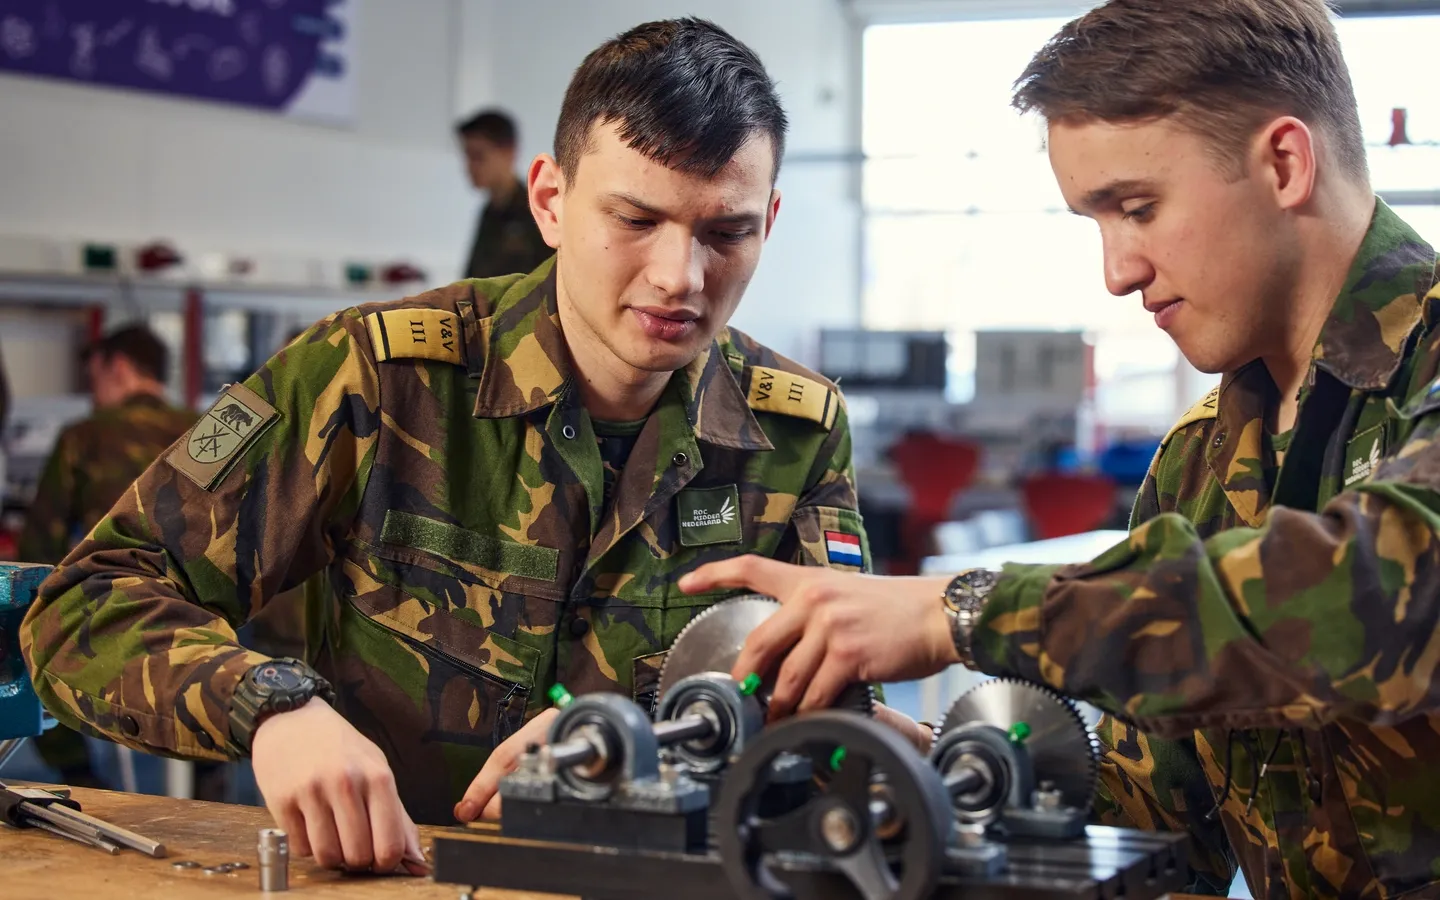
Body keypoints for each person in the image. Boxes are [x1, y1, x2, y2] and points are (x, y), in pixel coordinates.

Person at [23, 18, 875, 877]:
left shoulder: (795, 433)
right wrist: (272, 706)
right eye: (635, 218)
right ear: (549, 199)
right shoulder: (375, 378)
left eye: (725, 234)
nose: (679, 276)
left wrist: (651, 747)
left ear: (768, 220)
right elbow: (84, 606)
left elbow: (844, 726)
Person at [680, 1, 1440, 897]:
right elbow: (1153, 835)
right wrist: (934, 771)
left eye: (1140, 208)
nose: (1117, 271)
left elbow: (1390, 583)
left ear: (1283, 161)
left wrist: (957, 613)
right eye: (1097, 220)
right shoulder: (1201, 467)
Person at [16, 325, 197, 787]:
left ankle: (87, 788)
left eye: (94, 375)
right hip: (205, 626)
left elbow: (41, 546)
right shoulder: (203, 430)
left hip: (111, 620)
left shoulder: (85, 436)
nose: (93, 390)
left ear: (118, 366)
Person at [458, 109, 553, 279]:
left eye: (478, 156)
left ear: (509, 153)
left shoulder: (535, 210)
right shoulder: (490, 211)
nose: (470, 166)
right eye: (467, 156)